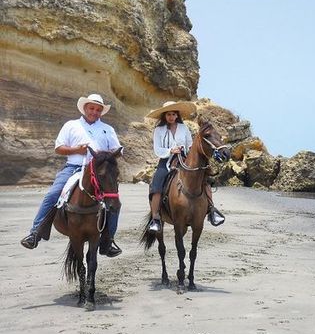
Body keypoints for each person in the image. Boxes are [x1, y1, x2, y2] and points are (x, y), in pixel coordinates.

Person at [20, 94, 123, 257]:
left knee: (114, 202)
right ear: (85, 108)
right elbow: (58, 148)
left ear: (101, 112)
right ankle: (35, 233)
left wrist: (104, 155)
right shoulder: (71, 125)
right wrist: (77, 150)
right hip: (73, 167)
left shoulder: (107, 129)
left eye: (98, 110)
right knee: (52, 195)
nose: (94, 112)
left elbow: (118, 151)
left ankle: (108, 240)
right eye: (92, 108)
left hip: (98, 171)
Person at [146, 101, 196, 232]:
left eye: (174, 114)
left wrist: (186, 150)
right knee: (157, 184)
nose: (171, 117)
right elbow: (157, 149)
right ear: (164, 115)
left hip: (183, 159)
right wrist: (171, 151)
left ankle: (211, 209)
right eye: (169, 114)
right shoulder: (158, 130)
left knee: (203, 178)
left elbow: (190, 144)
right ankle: (155, 218)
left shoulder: (184, 128)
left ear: (177, 115)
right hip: (166, 161)